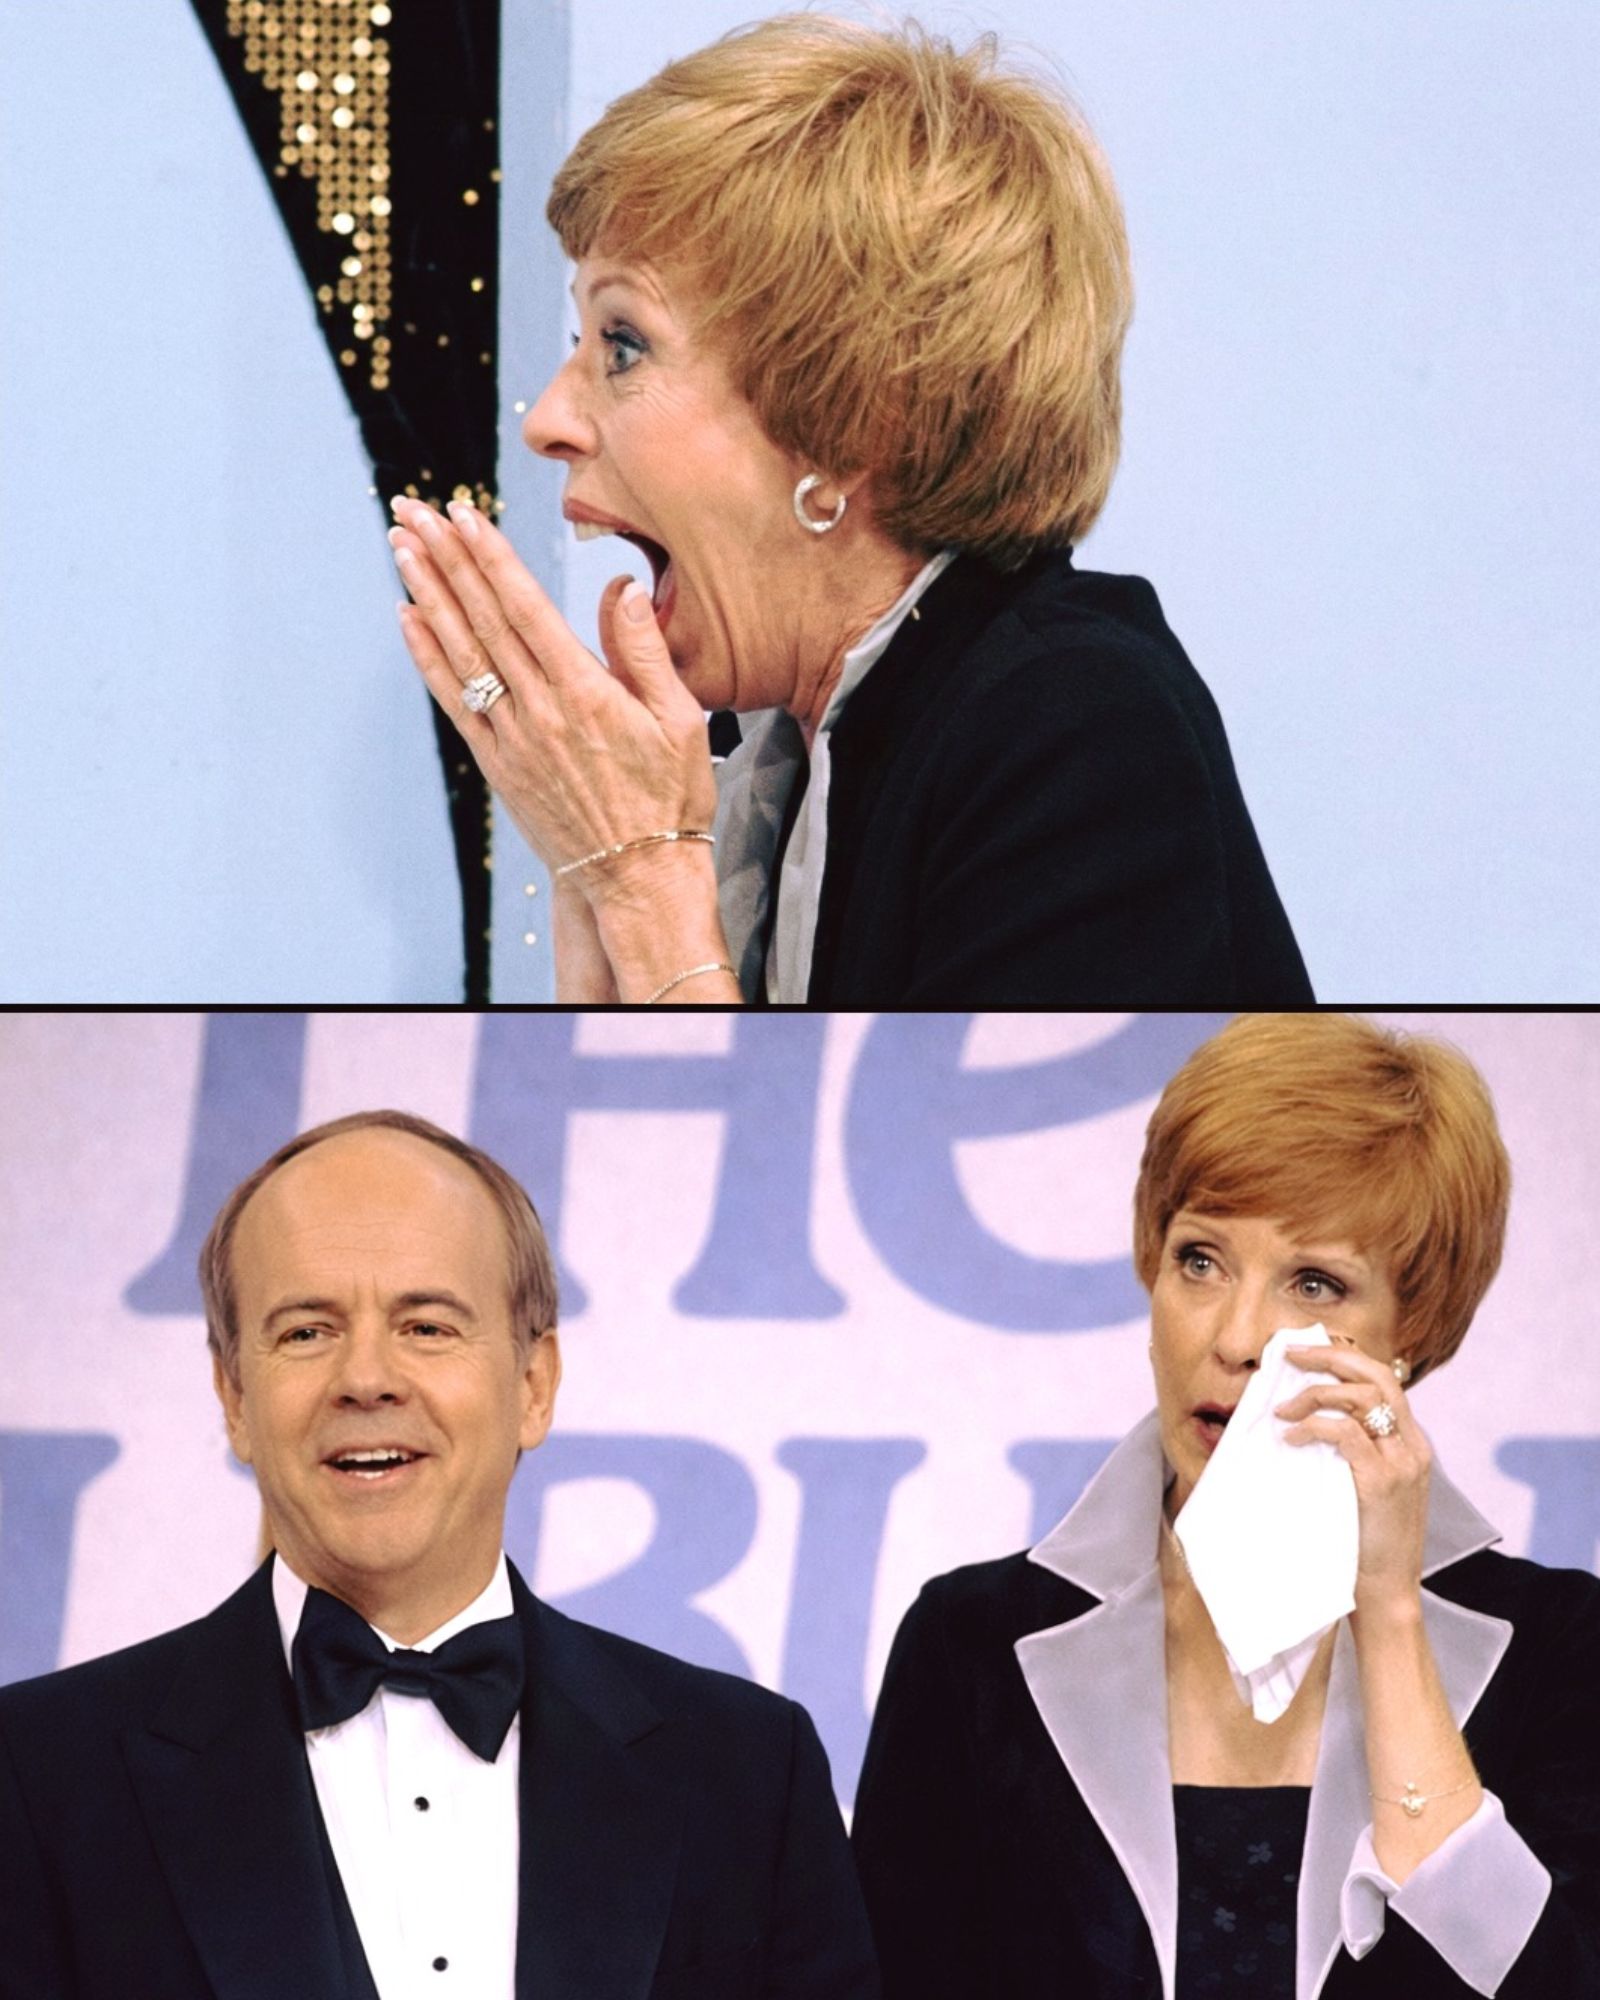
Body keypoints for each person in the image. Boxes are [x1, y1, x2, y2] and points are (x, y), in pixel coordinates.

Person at [387, 15, 1314, 1007]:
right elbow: (633, 1102)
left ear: (849, 425)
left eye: (623, 344)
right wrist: (594, 862)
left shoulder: (1076, 730)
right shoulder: (776, 754)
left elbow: (770, 1117)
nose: (548, 420)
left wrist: (641, 876)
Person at [0, 1110, 878, 1999]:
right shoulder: (39, 1776)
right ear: (233, 1397)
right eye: (306, 1331)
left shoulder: (750, 1773)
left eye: (426, 1326)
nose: (365, 1379)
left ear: (533, 1386)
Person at [851, 1014, 1600, 1997]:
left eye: (1314, 1282)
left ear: (1412, 1327)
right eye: (1199, 1259)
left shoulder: (1561, 1645)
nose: (1237, 1337)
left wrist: (1389, 1610)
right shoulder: (972, 1641)